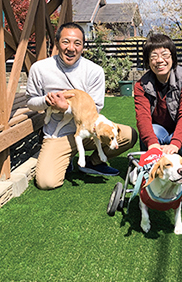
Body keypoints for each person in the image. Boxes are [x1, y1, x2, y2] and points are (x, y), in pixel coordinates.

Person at [26, 22, 137, 189]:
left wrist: (67, 108)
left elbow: (96, 108)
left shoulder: (94, 70)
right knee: (46, 182)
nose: (71, 48)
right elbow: (31, 102)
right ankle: (67, 158)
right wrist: (47, 101)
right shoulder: (40, 68)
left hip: (88, 132)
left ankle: (93, 163)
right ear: (56, 43)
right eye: (65, 42)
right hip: (59, 135)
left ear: (83, 46)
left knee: (129, 135)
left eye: (77, 43)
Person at [134, 33, 182, 184]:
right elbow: (142, 118)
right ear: (147, 60)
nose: (159, 60)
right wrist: (152, 144)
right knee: (152, 132)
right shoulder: (141, 85)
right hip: (160, 130)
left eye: (165, 54)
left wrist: (175, 143)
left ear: (173, 57)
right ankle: (153, 166)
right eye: (154, 56)